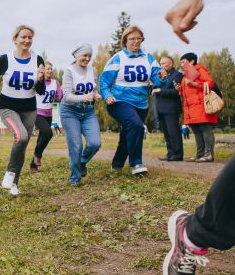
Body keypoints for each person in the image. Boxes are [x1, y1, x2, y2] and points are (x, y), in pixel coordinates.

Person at [162, 0, 230, 275]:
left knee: (206, 136)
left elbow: (206, 84)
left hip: (197, 109)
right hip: (190, 110)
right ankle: (194, 234)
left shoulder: (197, 72)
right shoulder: (185, 74)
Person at [0, 25, 45, 196]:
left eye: (30, 38)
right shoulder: (6, 59)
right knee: (21, 136)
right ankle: (10, 173)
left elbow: (40, 91)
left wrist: (41, 79)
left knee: (22, 145)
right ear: (15, 39)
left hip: (29, 108)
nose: (27, 40)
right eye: (23, 37)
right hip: (8, 107)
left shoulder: (37, 59)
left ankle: (13, 183)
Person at [99, 25, 161, 176]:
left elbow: (157, 80)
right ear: (125, 40)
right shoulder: (118, 58)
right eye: (132, 38)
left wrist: (160, 78)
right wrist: (107, 95)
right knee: (136, 126)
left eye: (139, 39)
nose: (136, 42)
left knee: (128, 133)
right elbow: (103, 81)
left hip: (141, 104)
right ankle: (136, 164)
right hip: (119, 102)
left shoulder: (148, 58)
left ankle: (117, 164)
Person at [60, 45, 102, 186]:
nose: (87, 58)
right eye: (84, 55)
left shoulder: (93, 70)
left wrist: (96, 95)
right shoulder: (69, 71)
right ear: (76, 56)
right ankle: (75, 179)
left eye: (90, 56)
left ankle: (81, 163)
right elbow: (66, 96)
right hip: (70, 111)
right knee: (76, 146)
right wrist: (84, 97)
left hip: (88, 111)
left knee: (95, 143)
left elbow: (94, 88)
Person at [177, 52, 217, 162]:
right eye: (181, 63)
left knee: (205, 129)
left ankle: (209, 154)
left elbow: (210, 83)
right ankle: (200, 154)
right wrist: (180, 90)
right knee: (196, 130)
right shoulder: (186, 74)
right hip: (190, 108)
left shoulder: (200, 70)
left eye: (183, 62)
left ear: (191, 61)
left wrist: (195, 85)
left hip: (201, 106)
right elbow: (187, 92)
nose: (181, 65)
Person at [31, 61, 63, 172]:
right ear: (42, 70)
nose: (49, 71)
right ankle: (37, 156)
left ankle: (33, 166)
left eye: (51, 69)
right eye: (47, 68)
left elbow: (60, 97)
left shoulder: (56, 83)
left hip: (48, 114)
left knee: (41, 139)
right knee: (48, 133)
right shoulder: (38, 81)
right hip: (37, 114)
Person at [151, 55, 184, 161]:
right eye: (161, 63)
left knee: (174, 132)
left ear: (171, 64)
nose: (162, 65)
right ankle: (170, 153)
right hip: (161, 108)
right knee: (166, 133)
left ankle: (178, 154)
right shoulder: (160, 76)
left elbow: (177, 92)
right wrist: (153, 85)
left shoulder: (177, 75)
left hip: (172, 108)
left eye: (164, 63)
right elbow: (156, 89)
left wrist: (160, 90)